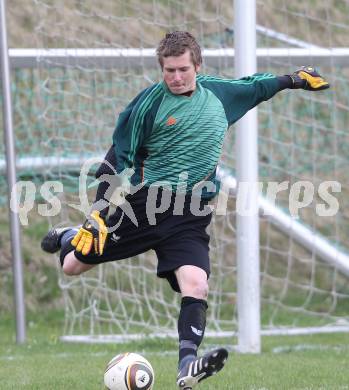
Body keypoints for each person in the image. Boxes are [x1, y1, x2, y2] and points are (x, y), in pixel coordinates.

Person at [41, 31, 329, 389]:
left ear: (198, 65)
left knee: (197, 283)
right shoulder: (149, 105)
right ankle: (70, 235)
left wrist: (295, 79)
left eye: (182, 70)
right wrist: (98, 212)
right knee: (72, 265)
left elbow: (257, 87)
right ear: (161, 69)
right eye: (169, 71)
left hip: (192, 212)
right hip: (147, 206)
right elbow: (116, 159)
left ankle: (187, 365)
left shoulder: (219, 96)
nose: (176, 78)